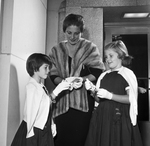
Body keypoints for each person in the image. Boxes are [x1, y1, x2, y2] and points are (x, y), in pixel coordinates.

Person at [48, 13, 104, 146]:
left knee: (80, 140)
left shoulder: (90, 48)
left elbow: (97, 71)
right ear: (64, 31)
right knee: (60, 140)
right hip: (61, 104)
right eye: (69, 33)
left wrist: (82, 80)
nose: (72, 37)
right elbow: (52, 73)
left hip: (83, 104)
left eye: (76, 33)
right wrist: (64, 83)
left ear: (82, 32)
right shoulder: (56, 50)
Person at [84, 40, 143, 146]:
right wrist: (92, 90)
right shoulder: (103, 76)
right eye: (106, 57)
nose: (107, 60)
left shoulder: (127, 74)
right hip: (103, 119)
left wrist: (110, 96)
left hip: (119, 119)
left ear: (120, 55)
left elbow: (130, 99)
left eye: (111, 56)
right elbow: (99, 100)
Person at [11, 53, 71, 146]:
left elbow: (45, 106)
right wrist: (30, 134)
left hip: (43, 128)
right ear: (35, 68)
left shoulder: (41, 86)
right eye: (45, 67)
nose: (48, 70)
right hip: (34, 130)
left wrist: (51, 123)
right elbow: (30, 113)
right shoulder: (32, 87)